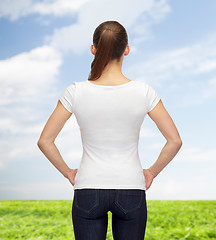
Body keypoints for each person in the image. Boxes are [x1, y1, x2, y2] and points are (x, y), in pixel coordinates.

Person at [37, 20, 182, 240]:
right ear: (127, 49)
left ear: (93, 49)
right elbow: (174, 141)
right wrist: (151, 172)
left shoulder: (75, 91)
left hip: (88, 189)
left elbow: (45, 141)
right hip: (131, 189)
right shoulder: (144, 92)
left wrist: (68, 172)